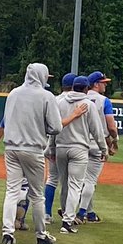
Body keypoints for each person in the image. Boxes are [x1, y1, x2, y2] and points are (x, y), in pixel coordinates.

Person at [0, 63, 72, 244]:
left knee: (12, 191)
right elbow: (56, 127)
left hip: (11, 148)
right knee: (37, 195)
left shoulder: (13, 93)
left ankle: (8, 233)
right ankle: (41, 235)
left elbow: (6, 121)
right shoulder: (46, 96)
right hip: (33, 148)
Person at [51, 75, 108, 234]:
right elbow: (96, 130)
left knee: (64, 185)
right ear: (86, 88)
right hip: (79, 148)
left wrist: (51, 148)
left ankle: (65, 214)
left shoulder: (60, 102)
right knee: (75, 185)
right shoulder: (88, 104)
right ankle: (67, 221)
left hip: (61, 146)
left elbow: (54, 128)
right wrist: (104, 149)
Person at [77, 70, 118, 223]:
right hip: (96, 144)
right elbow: (111, 126)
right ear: (95, 84)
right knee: (90, 181)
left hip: (79, 143)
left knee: (80, 180)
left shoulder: (79, 98)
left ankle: (90, 212)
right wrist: (114, 141)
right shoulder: (104, 101)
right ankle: (81, 213)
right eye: (103, 83)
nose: (105, 85)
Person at [42, 72, 76, 224]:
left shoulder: (55, 99)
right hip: (73, 145)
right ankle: (69, 214)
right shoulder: (82, 101)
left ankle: (47, 214)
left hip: (55, 144)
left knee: (52, 179)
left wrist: (51, 148)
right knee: (71, 182)